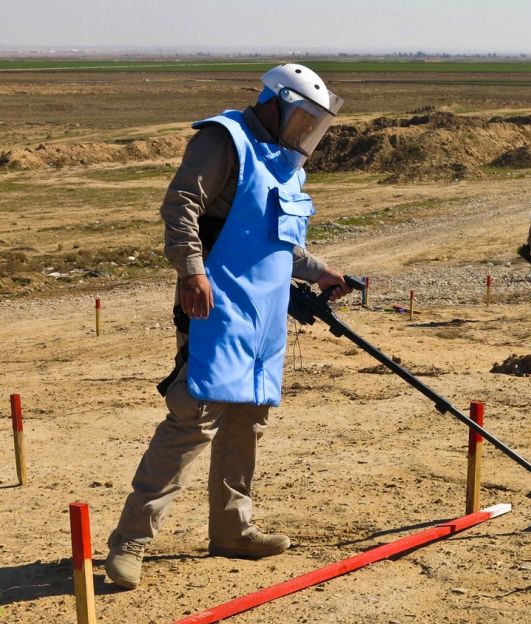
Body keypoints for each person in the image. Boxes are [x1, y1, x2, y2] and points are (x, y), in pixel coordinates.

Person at [105, 63, 352, 590]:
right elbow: (181, 208)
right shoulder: (225, 139)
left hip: (264, 321)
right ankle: (130, 541)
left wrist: (320, 269)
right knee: (192, 420)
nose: (306, 131)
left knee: (247, 423)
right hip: (214, 312)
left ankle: (233, 531)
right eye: (302, 118)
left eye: (315, 124)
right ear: (273, 101)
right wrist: (191, 271)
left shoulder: (283, 164)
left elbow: (278, 243)